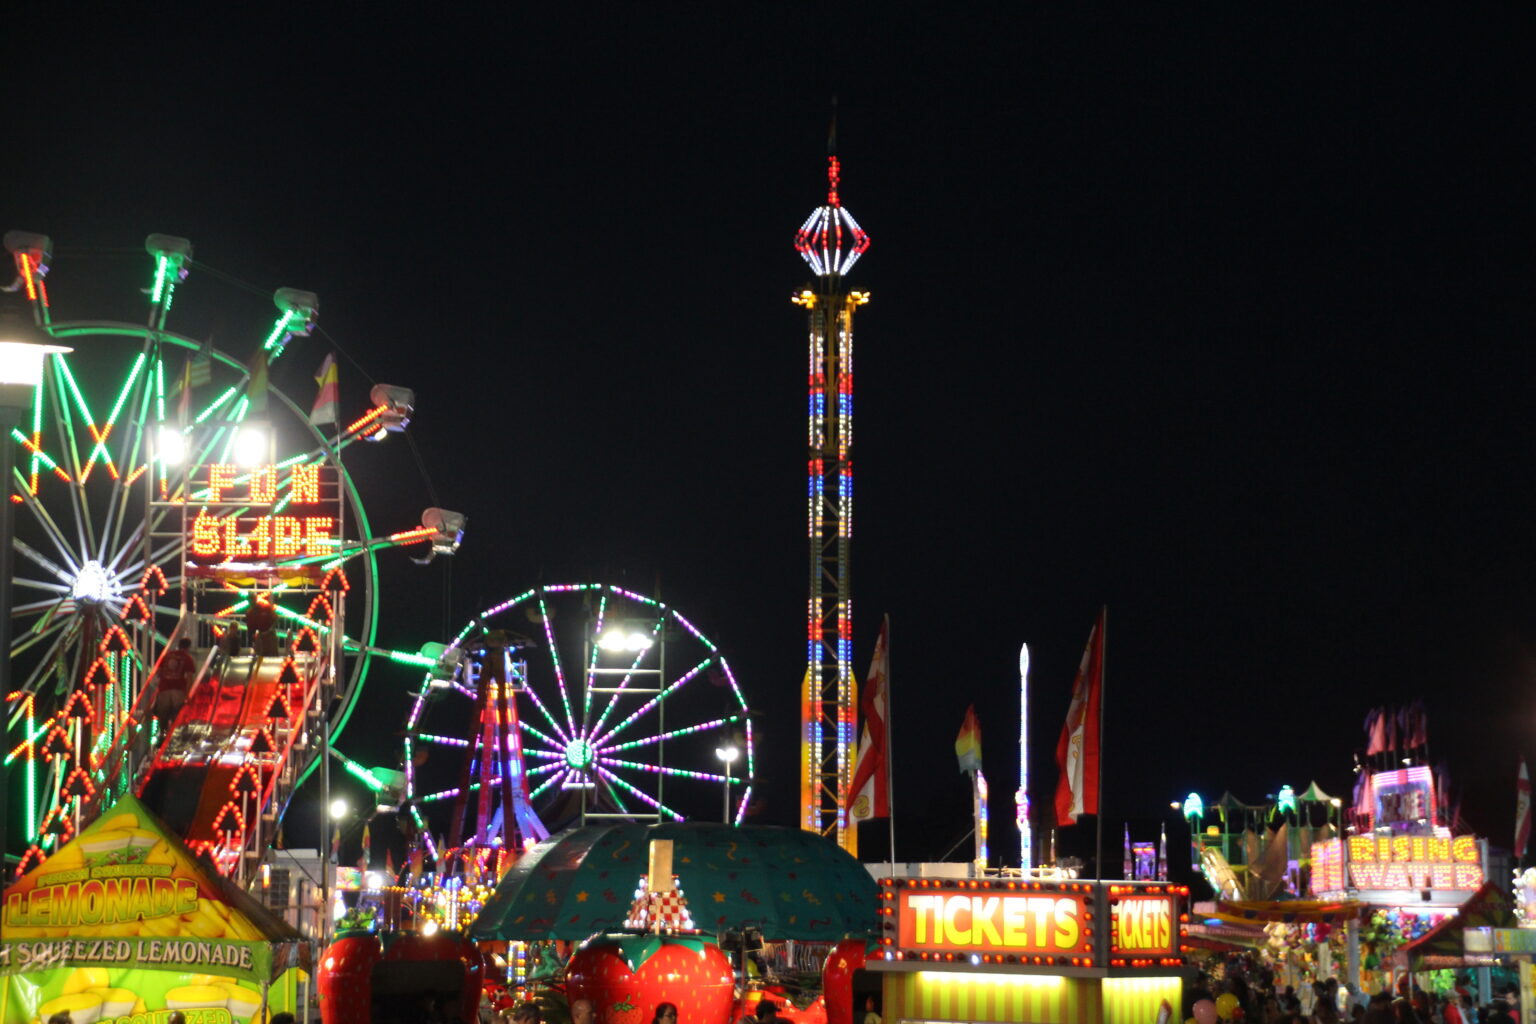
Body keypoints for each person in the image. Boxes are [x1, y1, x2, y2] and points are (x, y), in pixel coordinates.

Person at [155, 637, 197, 733]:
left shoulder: (167, 655)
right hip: (178, 689)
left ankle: (163, 734)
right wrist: (188, 694)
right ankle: (175, 734)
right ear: (188, 647)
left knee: (163, 714)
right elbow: (190, 677)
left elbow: (158, 672)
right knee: (177, 713)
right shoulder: (187, 658)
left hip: (164, 688)